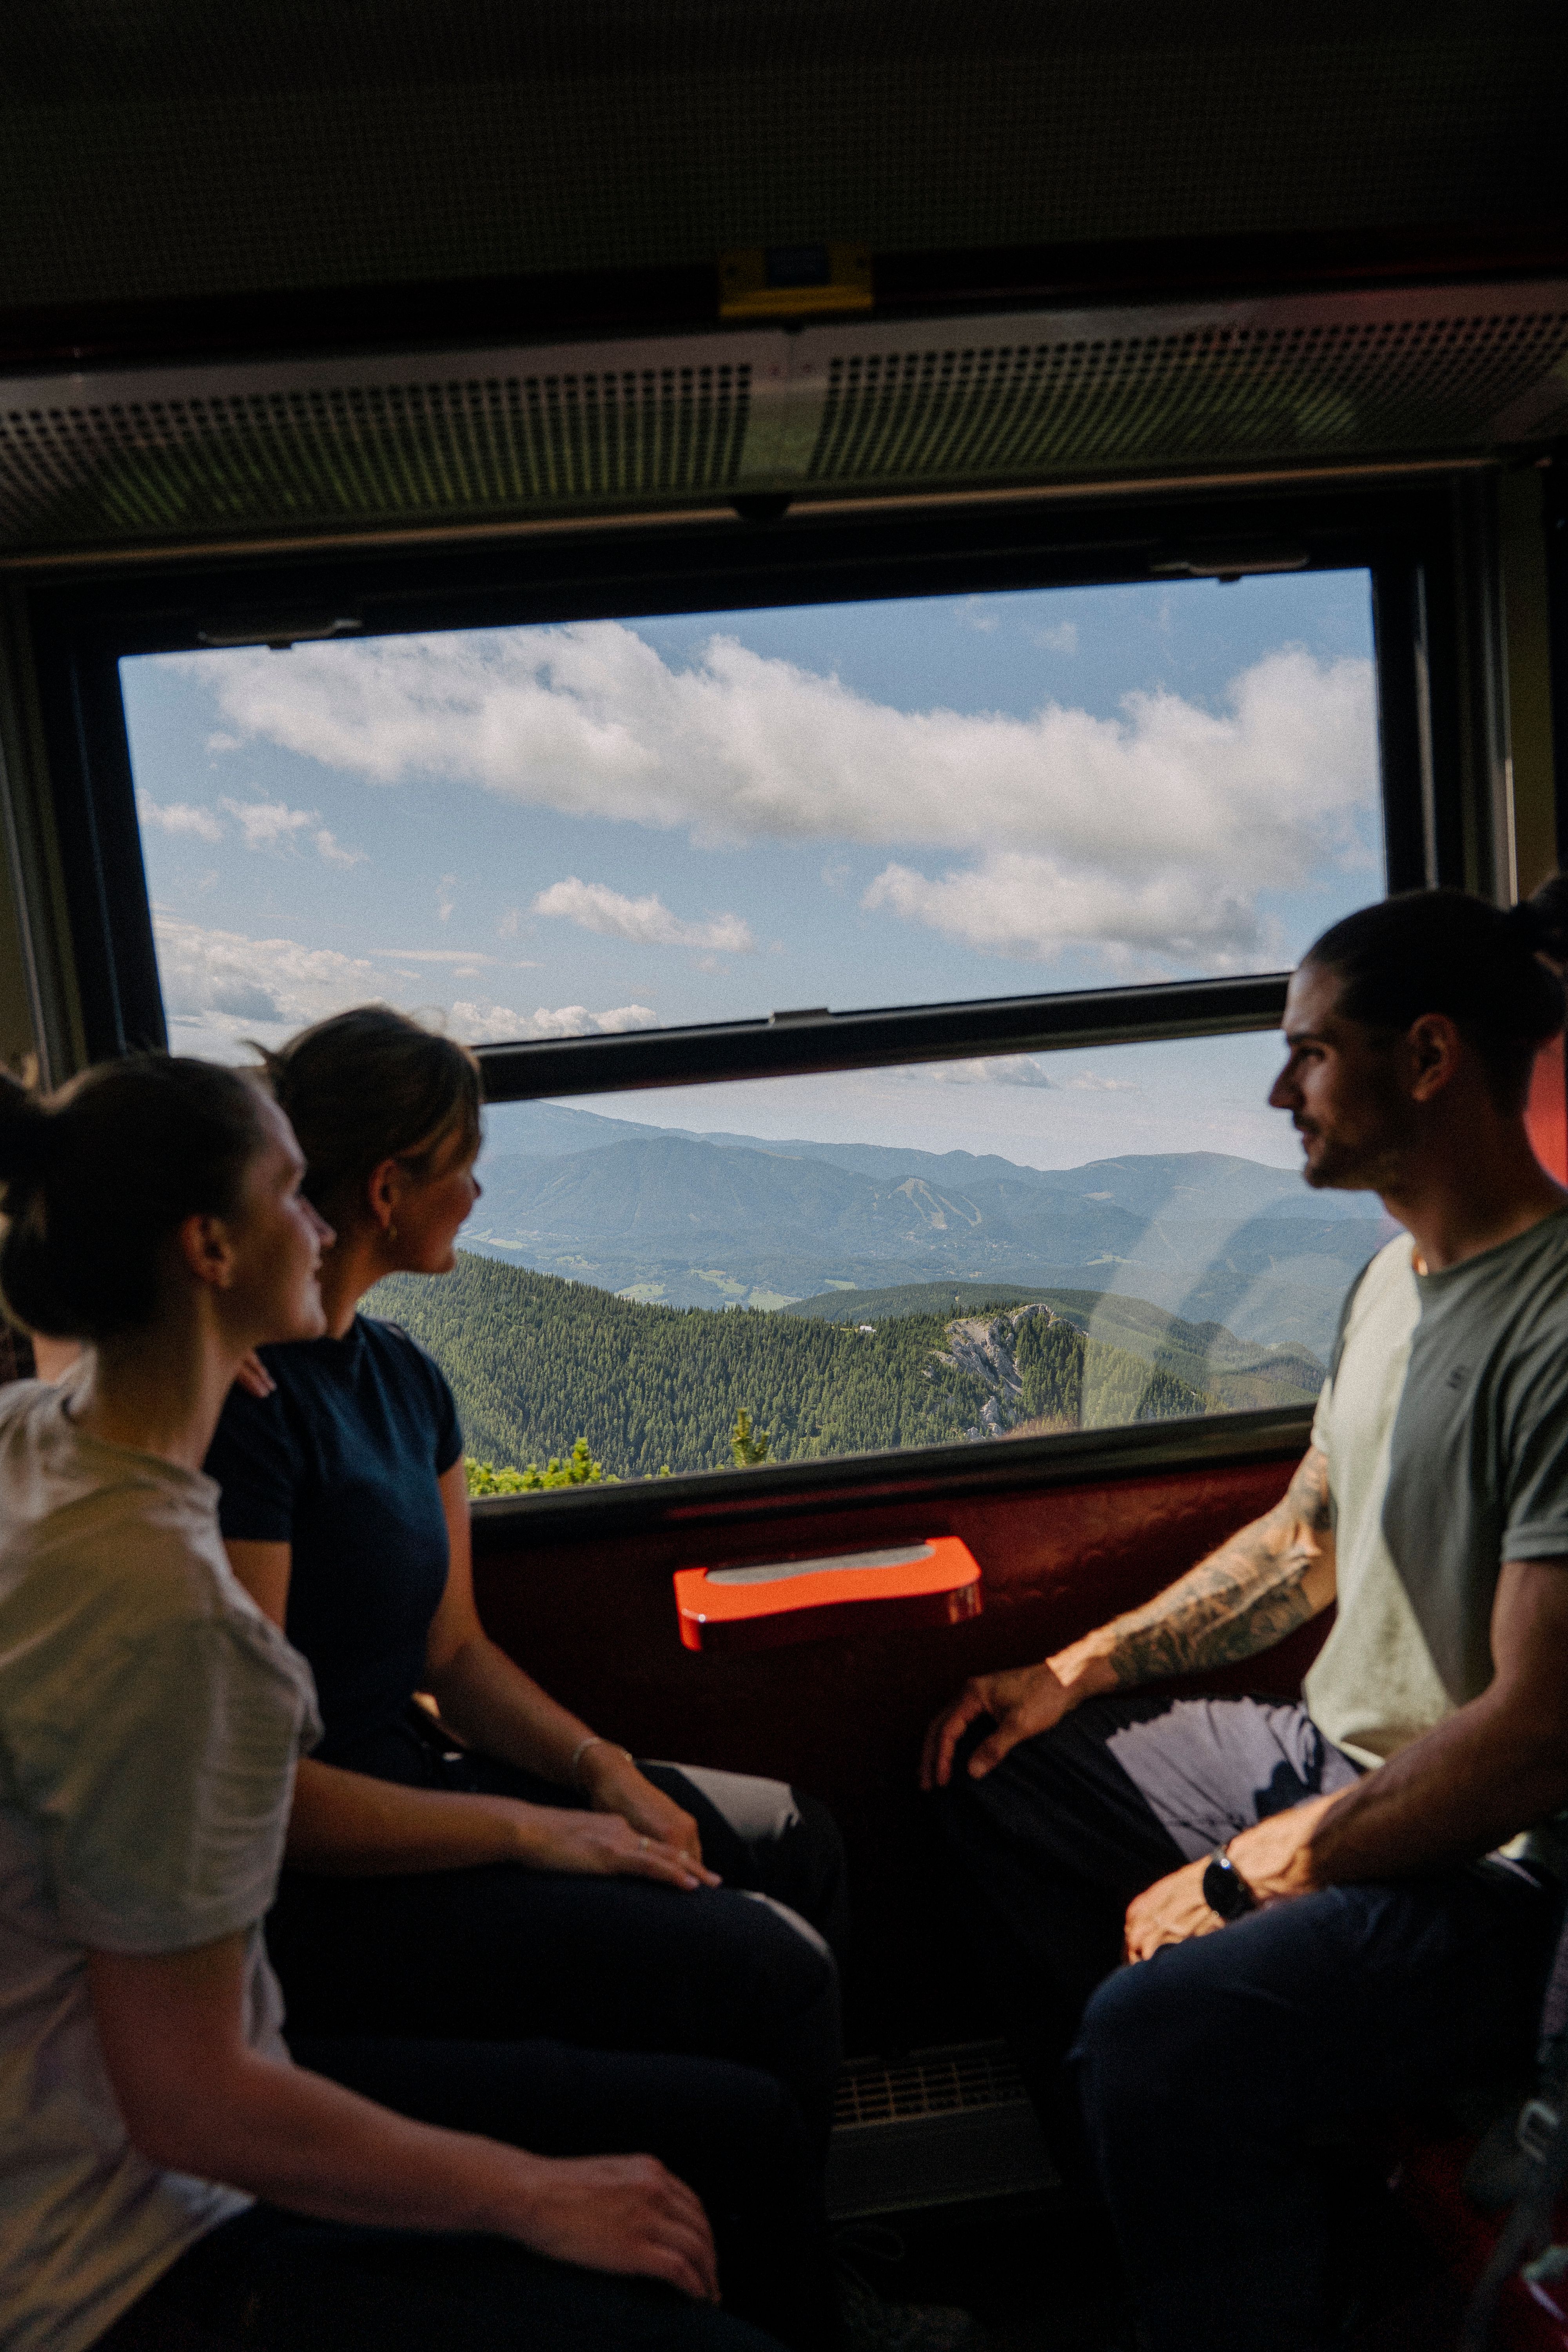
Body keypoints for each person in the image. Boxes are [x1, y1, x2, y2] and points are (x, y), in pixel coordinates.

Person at [0, 1051, 802, 2352]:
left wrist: (193, 1350)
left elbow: (451, 1648)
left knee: (743, 2079)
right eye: (288, 1195)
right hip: (123, 2258)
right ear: (208, 1248)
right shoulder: (181, 1623)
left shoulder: (29, 1441)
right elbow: (193, 2104)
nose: (318, 1225)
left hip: (126, 2143)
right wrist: (532, 2194)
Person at [922, 882, 1568, 2352]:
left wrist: (1245, 1876)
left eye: (1311, 1054)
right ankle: (1216, 2203)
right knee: (998, 1773)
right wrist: (1070, 1669)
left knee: (1153, 2033)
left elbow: (1536, 1741)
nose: (1282, 1094)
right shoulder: (1391, 1284)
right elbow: (1302, 1543)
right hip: (1334, 1760)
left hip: (1503, 1873)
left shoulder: (1555, 1325)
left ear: (1429, 1057)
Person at [202, 1009, 848, 2173]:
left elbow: (452, 1655)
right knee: (777, 1970)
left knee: (792, 1837)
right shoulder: (249, 1415)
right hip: (338, 1882)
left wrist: (603, 1772)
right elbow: (265, 1797)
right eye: (466, 1166)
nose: (480, 1194)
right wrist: (545, 1832)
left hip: (425, 1776)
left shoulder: (406, 1381)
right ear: (388, 1189)